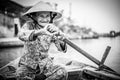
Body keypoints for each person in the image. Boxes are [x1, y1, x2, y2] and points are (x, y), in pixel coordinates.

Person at [16, 1, 68, 80]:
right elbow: (21, 35)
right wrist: (39, 32)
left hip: (46, 66)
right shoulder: (28, 25)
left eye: (47, 16)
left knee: (62, 71)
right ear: (35, 17)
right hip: (27, 66)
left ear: (51, 17)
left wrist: (59, 34)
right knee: (20, 75)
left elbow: (61, 48)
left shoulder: (52, 28)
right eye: (41, 16)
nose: (44, 19)